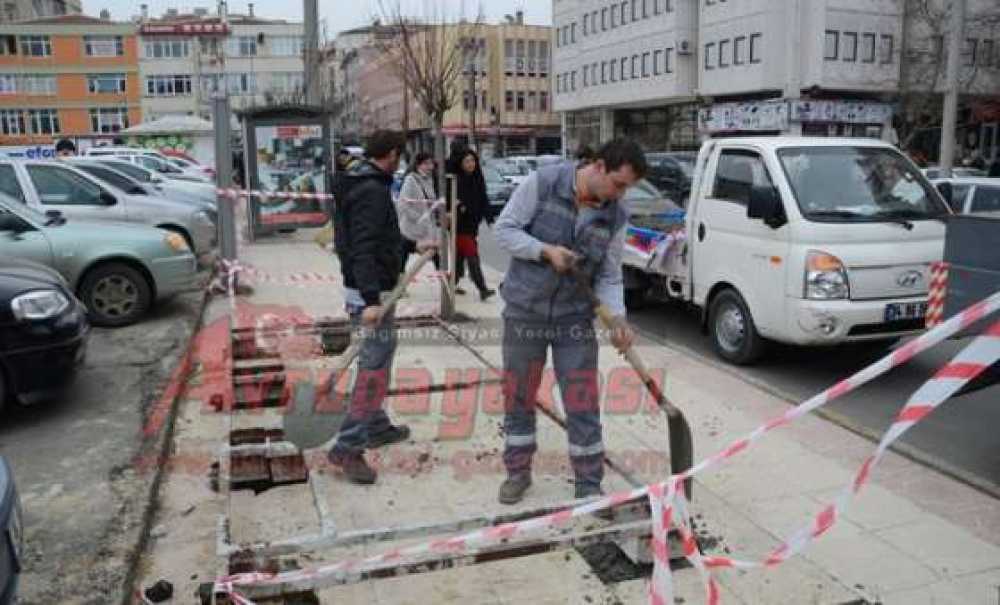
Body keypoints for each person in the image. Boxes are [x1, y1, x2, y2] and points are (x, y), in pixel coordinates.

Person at [493, 139, 646, 505]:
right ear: (597, 166)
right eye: (618, 184)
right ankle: (517, 472)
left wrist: (617, 319)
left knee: (582, 399)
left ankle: (589, 483)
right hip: (524, 310)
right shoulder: (544, 183)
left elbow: (609, 276)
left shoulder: (615, 215)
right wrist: (544, 251)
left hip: (574, 318)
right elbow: (505, 230)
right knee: (519, 394)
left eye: (627, 188)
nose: (619, 195)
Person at [329, 130, 415, 485]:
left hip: (377, 288)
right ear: (393, 154)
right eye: (401, 156)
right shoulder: (370, 190)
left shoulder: (363, 182)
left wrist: (411, 244)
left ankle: (376, 425)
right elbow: (362, 247)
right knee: (373, 368)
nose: (401, 163)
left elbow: (381, 237)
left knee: (382, 356)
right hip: (371, 293)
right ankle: (348, 446)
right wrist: (370, 300)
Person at [453, 149, 496, 301]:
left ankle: (452, 284)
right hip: (459, 226)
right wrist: (459, 207)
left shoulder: (477, 178)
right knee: (472, 256)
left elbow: (484, 200)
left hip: (472, 225)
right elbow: (451, 200)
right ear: (460, 163)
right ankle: (482, 288)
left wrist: (490, 219)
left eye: (473, 160)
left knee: (459, 259)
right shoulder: (456, 179)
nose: (471, 164)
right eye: (467, 161)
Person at [398, 152, 441, 272]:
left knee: (435, 256)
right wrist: (418, 217)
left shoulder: (430, 180)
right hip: (410, 229)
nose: (430, 167)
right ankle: (399, 286)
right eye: (426, 164)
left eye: (431, 163)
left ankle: (446, 285)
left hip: (425, 229)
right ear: (418, 165)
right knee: (402, 259)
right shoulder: (410, 180)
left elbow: (430, 202)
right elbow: (402, 204)